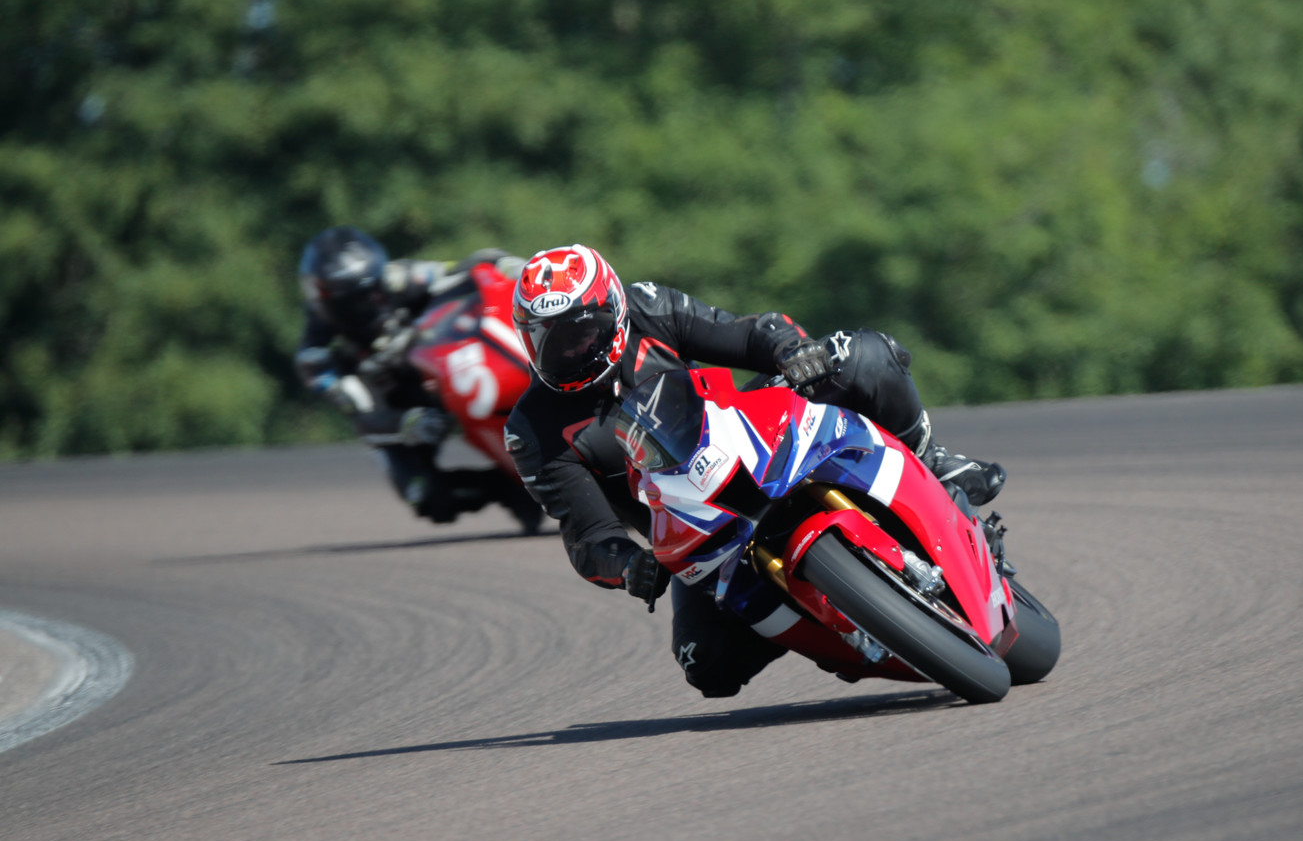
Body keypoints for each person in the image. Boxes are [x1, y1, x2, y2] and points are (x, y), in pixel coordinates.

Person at [501, 243, 1006, 697]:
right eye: (549, 340)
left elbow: (747, 333)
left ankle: (931, 460)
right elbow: (589, 538)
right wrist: (629, 567)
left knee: (861, 356)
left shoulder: (648, 307)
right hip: (695, 533)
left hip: (749, 436)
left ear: (614, 310)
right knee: (706, 667)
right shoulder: (532, 431)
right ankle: (838, 629)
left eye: (582, 331)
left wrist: (793, 351)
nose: (570, 351)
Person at [294, 225, 543, 532]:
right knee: (423, 495)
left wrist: (507, 267)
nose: (375, 300)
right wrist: (405, 423)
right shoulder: (317, 357)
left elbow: (466, 270)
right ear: (328, 302)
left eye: (375, 287)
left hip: (441, 362)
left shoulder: (398, 277)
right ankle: (509, 489)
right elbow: (363, 416)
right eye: (358, 299)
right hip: (396, 410)